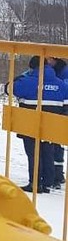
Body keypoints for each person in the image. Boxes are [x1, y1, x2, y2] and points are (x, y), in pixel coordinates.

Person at [12, 56, 67, 193]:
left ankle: (35, 183)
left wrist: (20, 77)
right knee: (48, 151)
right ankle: (48, 182)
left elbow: (9, 88)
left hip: (30, 123)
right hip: (52, 123)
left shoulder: (27, 81)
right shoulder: (61, 84)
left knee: (33, 152)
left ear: (33, 67)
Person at [54, 58, 67, 186]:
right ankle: (57, 173)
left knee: (57, 141)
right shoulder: (54, 71)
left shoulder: (64, 73)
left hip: (63, 109)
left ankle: (57, 174)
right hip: (59, 107)